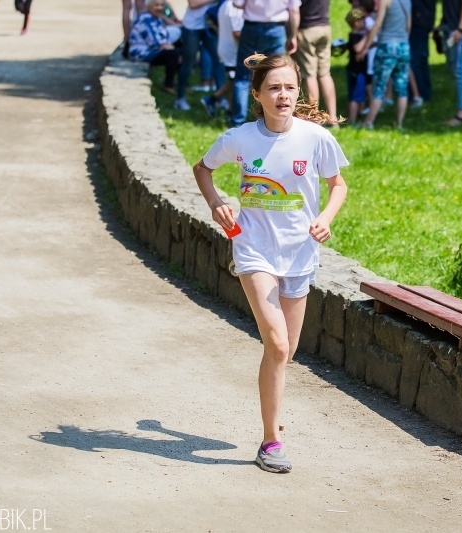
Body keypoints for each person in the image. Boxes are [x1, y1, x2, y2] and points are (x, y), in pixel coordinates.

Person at [192, 54, 348, 473]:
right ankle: (270, 440)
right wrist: (216, 203)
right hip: (253, 248)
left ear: (299, 92)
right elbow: (203, 169)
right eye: (274, 88)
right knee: (278, 345)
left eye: (290, 87)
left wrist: (325, 218)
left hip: (300, 253)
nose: (283, 95)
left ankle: (271, 423)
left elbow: (338, 185)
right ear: (257, 94)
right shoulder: (241, 138)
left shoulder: (316, 138)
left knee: (285, 352)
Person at [229, 0, 301, 127]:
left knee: (242, 77)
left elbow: (237, 4)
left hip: (251, 27)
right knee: (277, 74)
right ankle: (273, 119)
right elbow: (294, 10)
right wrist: (293, 36)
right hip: (276, 28)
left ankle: (237, 122)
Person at [357, 0, 411, 130]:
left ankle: (368, 122)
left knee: (379, 86)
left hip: (387, 46)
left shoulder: (385, 1)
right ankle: (399, 124)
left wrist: (366, 48)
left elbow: (377, 24)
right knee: (402, 88)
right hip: (404, 46)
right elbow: (409, 25)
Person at [292, 0, 338, 121]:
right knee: (325, 74)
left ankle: (314, 118)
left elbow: (294, 9)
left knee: (309, 75)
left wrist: (292, 34)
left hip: (306, 29)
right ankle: (333, 119)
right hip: (324, 27)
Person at [176, 0, 226, 111]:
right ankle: (180, 99)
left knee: (219, 60)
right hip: (192, 27)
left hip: (210, 25)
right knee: (188, 62)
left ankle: (219, 98)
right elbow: (193, 3)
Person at [129, 0, 183, 95]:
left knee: (179, 51)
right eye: (156, 5)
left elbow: (164, 35)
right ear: (149, 6)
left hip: (152, 49)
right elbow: (154, 42)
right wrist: (170, 47)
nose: (159, 8)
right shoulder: (145, 18)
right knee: (174, 54)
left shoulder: (156, 17)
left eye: (162, 5)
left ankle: (181, 84)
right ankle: (168, 85)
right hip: (141, 52)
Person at [201, 0, 244, 118]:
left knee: (234, 81)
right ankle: (212, 100)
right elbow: (237, 32)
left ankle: (229, 110)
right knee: (238, 81)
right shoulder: (235, 7)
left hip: (227, 49)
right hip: (233, 52)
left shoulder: (225, 4)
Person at [440, 0, 462, 126]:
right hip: (450, 28)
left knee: (460, 72)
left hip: (458, 31)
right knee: (454, 70)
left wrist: (460, 28)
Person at [344, 8, 369, 126]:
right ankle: (352, 121)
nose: (364, 23)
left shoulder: (359, 35)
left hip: (360, 71)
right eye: (362, 21)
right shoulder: (354, 35)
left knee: (359, 96)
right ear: (356, 23)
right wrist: (368, 36)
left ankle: (358, 117)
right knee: (355, 97)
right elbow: (357, 48)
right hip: (356, 72)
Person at [408, 0, 435, 107]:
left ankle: (417, 93)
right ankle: (424, 92)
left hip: (418, 20)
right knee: (421, 58)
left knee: (414, 60)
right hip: (424, 19)